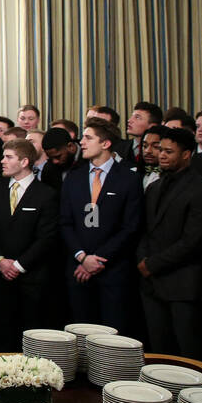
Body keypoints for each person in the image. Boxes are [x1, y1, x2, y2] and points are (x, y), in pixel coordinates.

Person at [136, 127, 202, 359]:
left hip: (183, 284)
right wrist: (143, 260)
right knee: (159, 351)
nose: (161, 155)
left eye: (169, 152)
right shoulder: (154, 187)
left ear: (186, 155)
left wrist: (153, 263)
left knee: (187, 352)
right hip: (151, 283)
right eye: (161, 150)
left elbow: (193, 242)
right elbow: (144, 231)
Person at [59, 117, 144, 334]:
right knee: (79, 333)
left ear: (105, 144)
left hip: (113, 271)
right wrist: (82, 257)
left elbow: (131, 227)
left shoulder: (129, 179)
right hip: (77, 269)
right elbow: (65, 222)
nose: (82, 143)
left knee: (112, 335)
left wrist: (97, 260)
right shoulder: (73, 178)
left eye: (88, 138)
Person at [0, 139, 59, 350]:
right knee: (1, 331)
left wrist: (19, 265)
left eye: (8, 157)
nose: (2, 161)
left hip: (32, 278)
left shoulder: (46, 194)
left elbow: (47, 237)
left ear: (24, 161)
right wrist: (0, 260)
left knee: (30, 333)